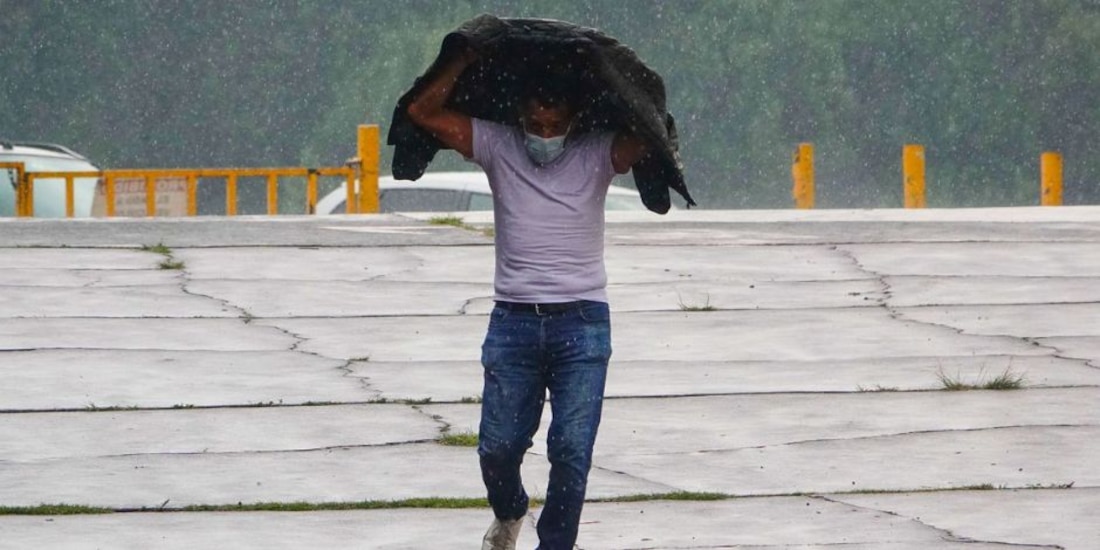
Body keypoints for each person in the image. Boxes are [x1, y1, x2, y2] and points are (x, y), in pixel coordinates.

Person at [406, 47, 648, 550]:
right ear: (519, 116)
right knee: (497, 447)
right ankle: (511, 510)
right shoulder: (497, 145)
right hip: (513, 321)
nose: (543, 134)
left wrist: (613, 75)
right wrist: (461, 59)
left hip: (582, 322)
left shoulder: (598, 151)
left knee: (572, 448)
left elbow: (649, 131)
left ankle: (556, 544)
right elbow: (422, 113)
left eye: (553, 123)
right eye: (534, 123)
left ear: (574, 118)